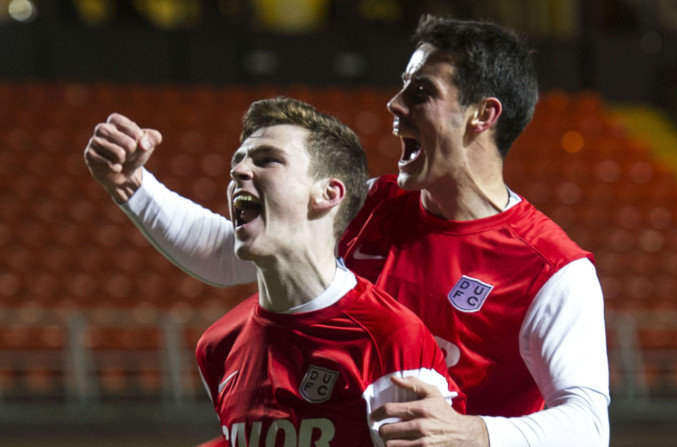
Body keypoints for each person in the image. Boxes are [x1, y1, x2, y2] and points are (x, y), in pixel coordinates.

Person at [84, 15, 610, 447]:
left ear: (483, 115)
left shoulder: (552, 268)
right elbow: (232, 250)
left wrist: (476, 434)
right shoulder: (371, 205)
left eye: (420, 91)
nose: (395, 105)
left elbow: (589, 424)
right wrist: (133, 186)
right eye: (401, 86)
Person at [85, 97, 463, 446]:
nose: (238, 171)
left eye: (267, 160)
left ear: (328, 194)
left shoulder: (391, 340)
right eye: (238, 161)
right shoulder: (218, 345)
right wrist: (131, 184)